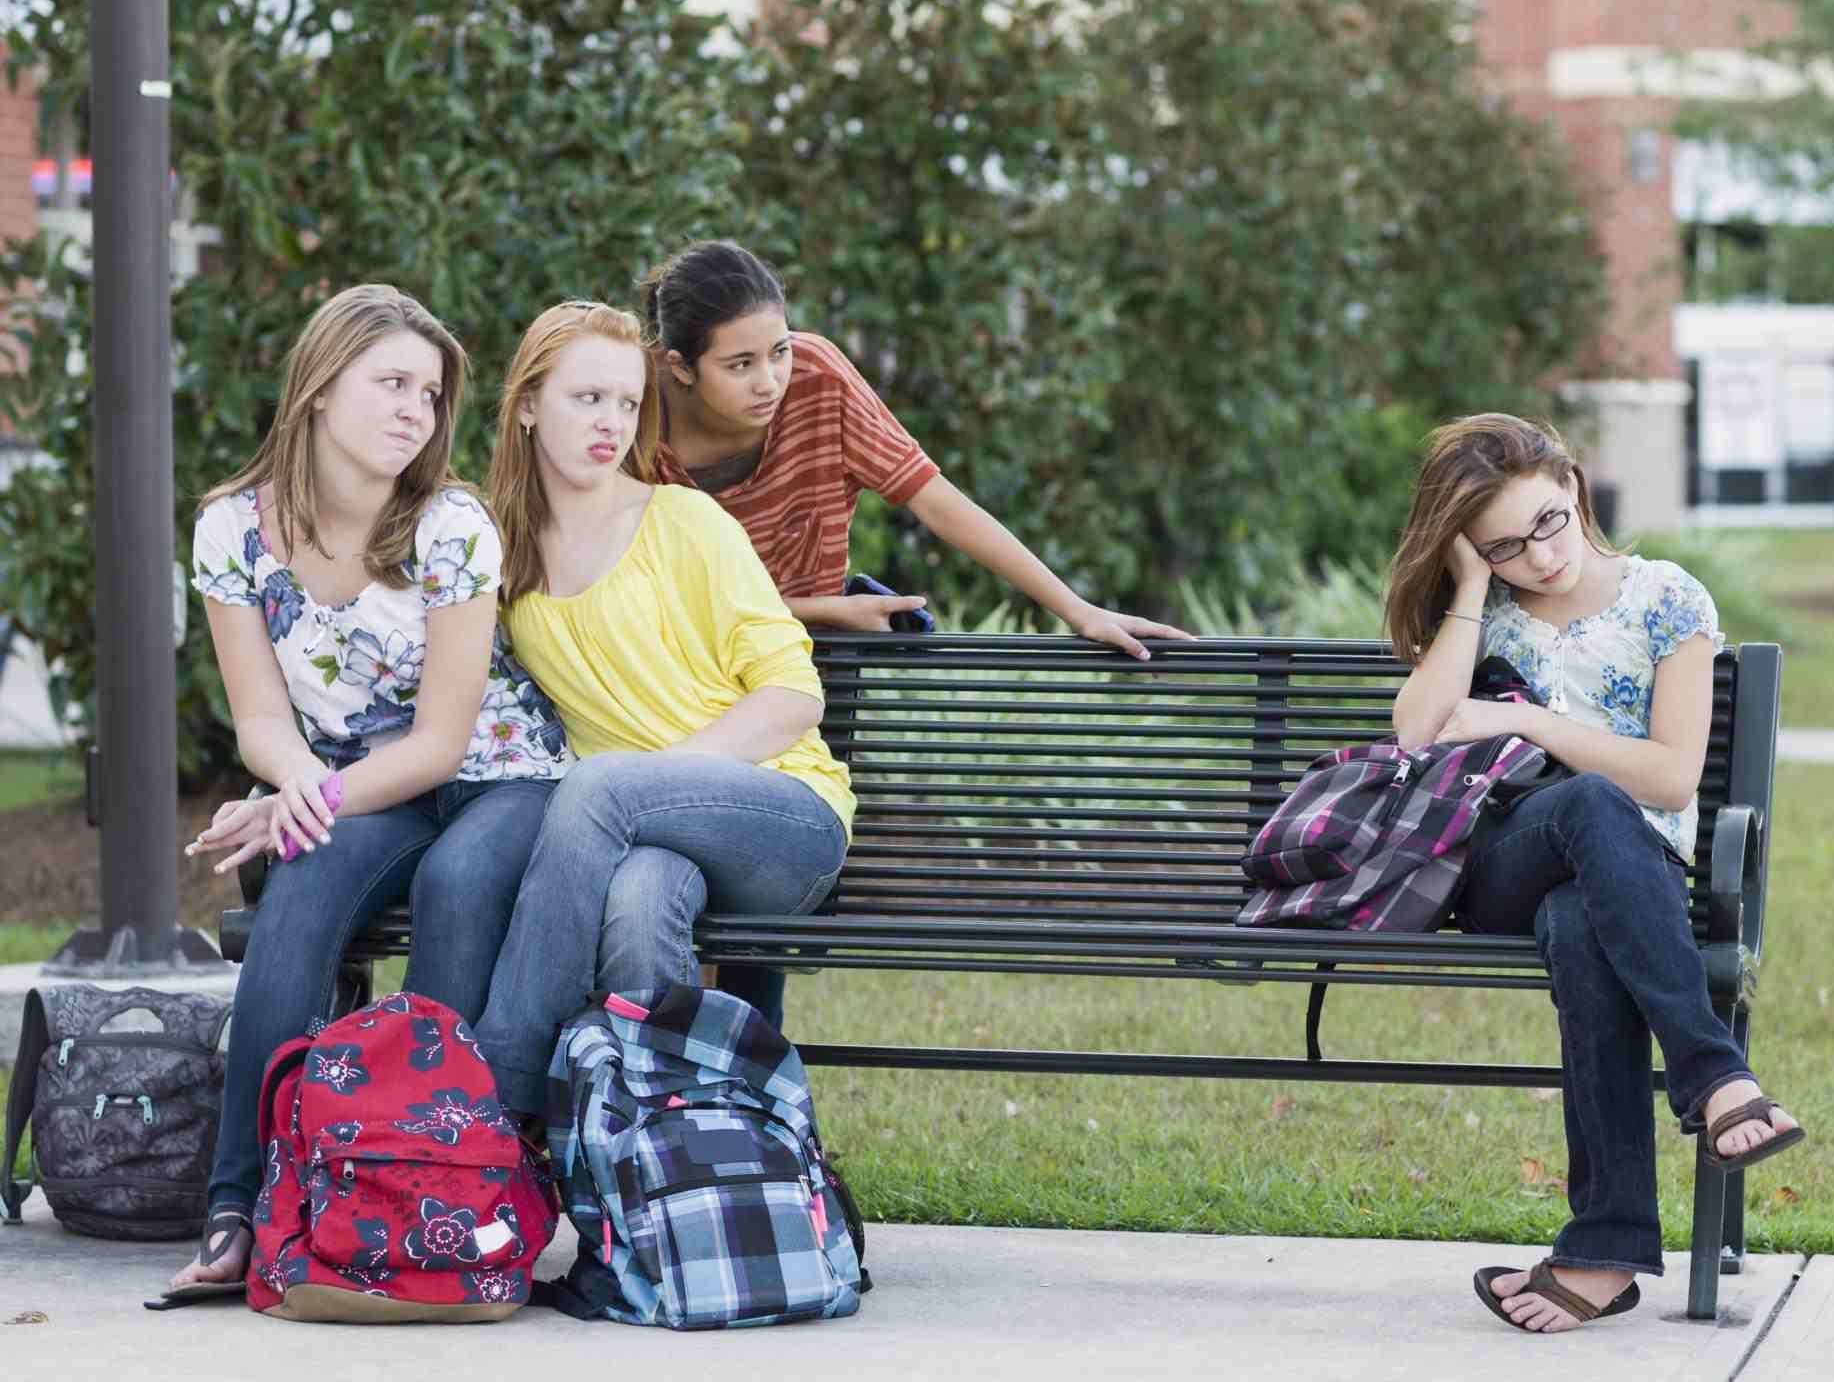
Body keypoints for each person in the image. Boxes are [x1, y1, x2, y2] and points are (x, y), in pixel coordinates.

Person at [167, 285, 573, 1295]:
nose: (415, 411)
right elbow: (261, 717)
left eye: (430, 394)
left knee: (461, 879)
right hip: (360, 780)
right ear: (317, 387)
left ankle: (421, 1188)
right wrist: (298, 783)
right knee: (296, 886)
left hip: (501, 775)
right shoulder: (231, 530)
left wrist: (308, 794)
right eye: (390, 382)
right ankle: (240, 1210)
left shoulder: (449, 524)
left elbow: (442, 740)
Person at [1385, 414, 1805, 1334]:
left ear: (1573, 487)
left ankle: (1603, 1252)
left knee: (1585, 916)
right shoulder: (1483, 610)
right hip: (1500, 867)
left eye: (1546, 521)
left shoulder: (1666, 600)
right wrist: (1464, 586)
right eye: (1502, 544)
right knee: (1585, 804)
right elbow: (1416, 733)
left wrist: (1528, 723)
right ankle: (1715, 1075)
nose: (1538, 555)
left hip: (1625, 880)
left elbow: (1669, 776)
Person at [470, 300, 854, 1116]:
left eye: (626, 401)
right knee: (642, 897)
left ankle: (493, 1106)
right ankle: (653, 1163)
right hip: (644, 838)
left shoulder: (684, 521)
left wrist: (656, 780)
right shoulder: (498, 557)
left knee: (601, 786)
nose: (612, 421)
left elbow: (794, 694)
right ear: (529, 405)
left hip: (785, 817)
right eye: (587, 399)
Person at [638, 239, 1191, 658]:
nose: (770, 381)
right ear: (680, 366)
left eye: (778, 351)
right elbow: (642, 598)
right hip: (675, 674)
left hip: (803, 676)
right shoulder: (631, 412)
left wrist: (1075, 609)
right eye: (740, 365)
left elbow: (937, 502)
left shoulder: (817, 379)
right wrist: (824, 610)